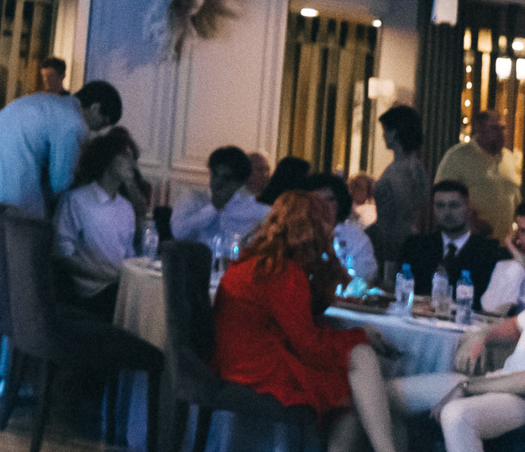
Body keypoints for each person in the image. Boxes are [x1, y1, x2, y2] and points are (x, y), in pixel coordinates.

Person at [390, 209, 525, 452]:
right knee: (391, 394)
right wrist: (482, 336)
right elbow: (514, 325)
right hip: (506, 384)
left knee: (457, 415)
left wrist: (468, 388)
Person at [0, 80, 123, 394]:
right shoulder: (74, 123)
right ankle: (7, 378)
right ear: (95, 108)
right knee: (14, 288)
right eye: (102, 124)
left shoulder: (43, 101)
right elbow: (61, 182)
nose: (96, 132)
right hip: (13, 194)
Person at [212, 193, 404, 452]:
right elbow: (310, 345)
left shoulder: (262, 262)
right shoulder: (283, 272)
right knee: (354, 378)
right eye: (325, 222)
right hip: (258, 364)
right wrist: (358, 336)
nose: (331, 230)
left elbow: (300, 323)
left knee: (357, 376)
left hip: (235, 356)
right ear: (310, 227)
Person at [52, 127, 144, 319]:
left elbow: (128, 255)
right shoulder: (76, 201)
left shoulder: (126, 207)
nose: (132, 163)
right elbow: (62, 256)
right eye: (125, 156)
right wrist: (108, 276)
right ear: (108, 159)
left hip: (120, 288)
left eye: (133, 158)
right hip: (91, 294)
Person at [396, 180, 507, 307]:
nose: (447, 212)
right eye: (440, 206)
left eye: (454, 205)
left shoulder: (489, 252)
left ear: (468, 208)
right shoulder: (415, 247)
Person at [369, 105, 432, 286]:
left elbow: (401, 213)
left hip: (392, 243)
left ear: (394, 133)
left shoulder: (401, 170)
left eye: (385, 131)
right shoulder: (416, 166)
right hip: (401, 238)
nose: (383, 136)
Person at [436, 111, 523, 239]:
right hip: (471, 238)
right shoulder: (458, 157)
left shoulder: (509, 158)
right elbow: (442, 194)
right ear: (480, 130)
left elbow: (514, 196)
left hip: (503, 239)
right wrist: (470, 218)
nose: (501, 133)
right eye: (494, 128)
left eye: (503, 128)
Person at [171, 145, 271, 253]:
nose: (217, 182)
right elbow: (178, 234)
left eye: (226, 178)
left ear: (240, 182)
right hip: (194, 261)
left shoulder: (257, 211)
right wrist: (213, 207)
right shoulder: (192, 199)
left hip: (233, 262)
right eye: (215, 175)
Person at [307, 172, 379, 285]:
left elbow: (367, 275)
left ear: (339, 202)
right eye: (317, 200)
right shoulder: (300, 233)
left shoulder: (353, 235)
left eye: (330, 199)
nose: (323, 205)